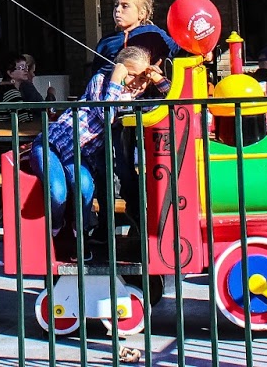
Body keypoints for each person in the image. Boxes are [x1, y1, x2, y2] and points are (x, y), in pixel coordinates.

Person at [26, 45, 164, 257]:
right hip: (52, 145)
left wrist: (158, 79)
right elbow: (105, 115)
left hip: (77, 155)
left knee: (84, 188)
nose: (136, 83)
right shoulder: (102, 82)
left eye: (143, 78)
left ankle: (79, 235)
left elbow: (173, 101)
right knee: (57, 191)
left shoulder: (131, 99)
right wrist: (116, 79)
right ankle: (57, 228)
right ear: (119, 69)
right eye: (131, 75)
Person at [94, 0, 175, 67]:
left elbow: (176, 52)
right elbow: (97, 70)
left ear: (141, 13)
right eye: (116, 5)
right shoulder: (106, 41)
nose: (117, 9)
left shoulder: (153, 33)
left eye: (125, 6)